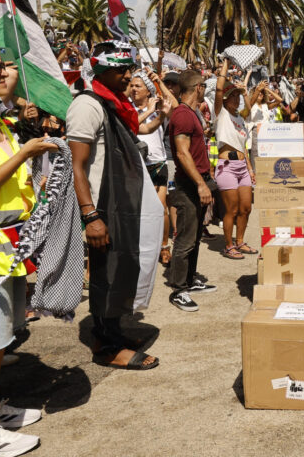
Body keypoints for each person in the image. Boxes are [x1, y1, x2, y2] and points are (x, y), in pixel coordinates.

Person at [67, 41, 162, 369]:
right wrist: (90, 216)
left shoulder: (114, 104)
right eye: (121, 70)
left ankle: (112, 331)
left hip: (122, 203)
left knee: (121, 269)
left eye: (129, 69)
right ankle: (107, 348)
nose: (127, 76)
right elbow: (75, 165)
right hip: (102, 207)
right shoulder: (87, 105)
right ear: (103, 70)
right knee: (106, 275)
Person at [0, 56, 55, 452]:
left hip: (8, 250)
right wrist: (25, 153)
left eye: (4, 65)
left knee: (0, 341)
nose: (2, 72)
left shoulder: (0, 123)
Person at [167, 69, 217, 312]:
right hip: (189, 186)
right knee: (185, 238)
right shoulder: (183, 115)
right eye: (204, 84)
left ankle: (189, 280)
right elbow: (181, 153)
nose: (205, 88)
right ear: (198, 87)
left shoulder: (189, 113)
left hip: (197, 181)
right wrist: (200, 183)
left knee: (195, 235)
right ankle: (178, 289)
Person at [128, 70, 177, 265]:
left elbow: (175, 107)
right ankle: (140, 247)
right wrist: (146, 111)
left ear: (148, 91)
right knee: (136, 210)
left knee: (159, 208)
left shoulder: (158, 107)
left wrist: (158, 81)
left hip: (156, 163)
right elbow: (129, 125)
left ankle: (164, 246)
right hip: (134, 164)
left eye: (138, 86)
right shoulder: (128, 109)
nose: (133, 89)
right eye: (131, 85)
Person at [213, 59, 256, 260]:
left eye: (239, 97)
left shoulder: (239, 117)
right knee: (231, 209)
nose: (237, 101)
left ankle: (241, 241)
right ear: (227, 98)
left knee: (246, 207)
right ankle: (229, 245)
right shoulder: (220, 114)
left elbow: (249, 110)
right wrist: (225, 65)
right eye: (235, 97)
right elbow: (219, 91)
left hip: (242, 165)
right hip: (227, 166)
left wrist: (245, 92)